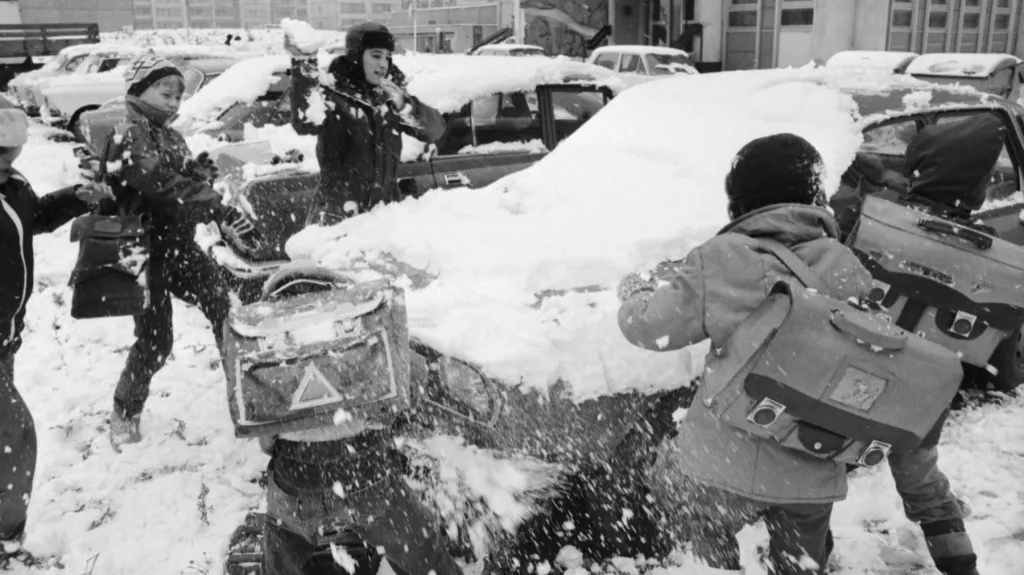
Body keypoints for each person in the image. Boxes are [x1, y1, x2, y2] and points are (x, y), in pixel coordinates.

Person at [617, 133, 872, 575]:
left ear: (741, 201)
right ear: (815, 194)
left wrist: (635, 292)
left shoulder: (718, 260)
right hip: (810, 458)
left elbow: (649, 328)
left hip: (725, 460)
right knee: (801, 561)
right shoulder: (846, 265)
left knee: (697, 517)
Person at [831, 116, 1003, 575]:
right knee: (922, 481)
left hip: (856, 371)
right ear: (975, 187)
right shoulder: (988, 251)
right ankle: (960, 565)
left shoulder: (873, 219)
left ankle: (808, 553)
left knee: (821, 464)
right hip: (925, 390)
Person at [103, 54, 252, 450]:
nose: (172, 102)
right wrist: (212, 203)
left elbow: (181, 178)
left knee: (225, 309)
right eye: (164, 93)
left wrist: (201, 172)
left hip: (179, 246)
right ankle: (125, 411)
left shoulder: (169, 134)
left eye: (177, 96)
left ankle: (245, 393)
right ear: (139, 90)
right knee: (155, 341)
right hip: (141, 251)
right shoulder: (127, 133)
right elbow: (157, 182)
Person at [0, 96, 109, 566]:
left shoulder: (12, 184)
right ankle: (5, 539)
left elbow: (35, 218)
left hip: (6, 338)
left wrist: (74, 198)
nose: (7, 160)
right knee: (15, 438)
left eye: (12, 151)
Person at [287, 21, 445, 226]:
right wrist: (304, 62)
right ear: (356, 56)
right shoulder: (332, 94)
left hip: (384, 217)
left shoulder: (390, 98)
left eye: (388, 57)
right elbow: (305, 122)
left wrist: (406, 105)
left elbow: (434, 131)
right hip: (339, 219)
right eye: (376, 56)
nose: (383, 64)